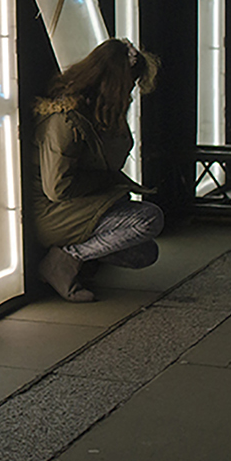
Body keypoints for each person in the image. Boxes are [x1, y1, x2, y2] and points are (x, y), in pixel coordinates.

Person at [30, 38, 164, 303]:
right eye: (127, 87)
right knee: (149, 218)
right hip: (49, 212)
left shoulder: (97, 112)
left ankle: (70, 259)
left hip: (72, 205)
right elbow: (58, 189)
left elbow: (114, 159)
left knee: (145, 253)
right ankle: (65, 261)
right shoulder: (65, 119)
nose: (130, 95)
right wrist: (106, 183)